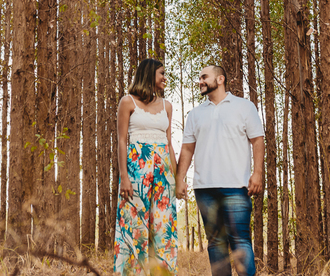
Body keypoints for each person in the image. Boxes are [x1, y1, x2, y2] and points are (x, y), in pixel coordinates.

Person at [175, 65, 264, 276]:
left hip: (236, 186)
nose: (200, 81)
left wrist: (258, 173)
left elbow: (257, 140)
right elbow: (187, 149)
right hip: (204, 188)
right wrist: (180, 179)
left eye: (204, 77)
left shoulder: (244, 106)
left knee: (240, 241)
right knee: (216, 244)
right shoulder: (195, 114)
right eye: (199, 78)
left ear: (221, 79)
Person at [113, 58, 178, 276]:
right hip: (136, 169)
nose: (164, 78)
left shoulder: (167, 106)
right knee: (134, 226)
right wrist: (124, 176)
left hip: (163, 172)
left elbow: (169, 144)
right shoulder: (127, 102)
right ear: (150, 75)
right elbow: (122, 140)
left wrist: (177, 179)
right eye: (161, 73)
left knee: (163, 227)